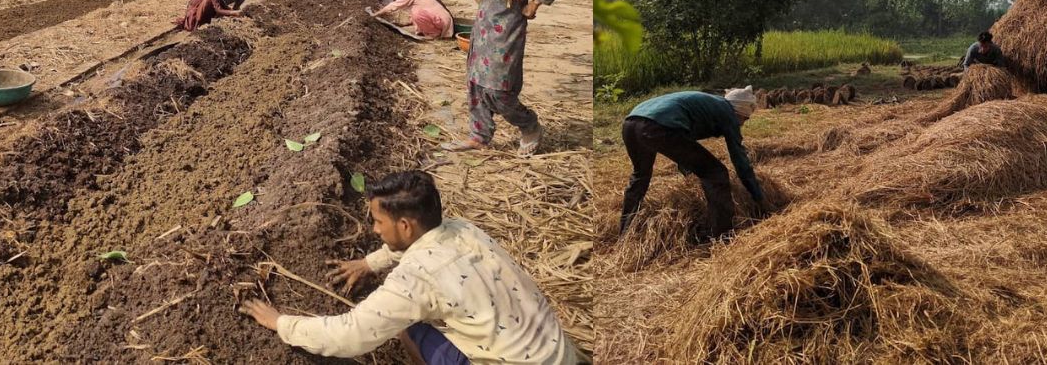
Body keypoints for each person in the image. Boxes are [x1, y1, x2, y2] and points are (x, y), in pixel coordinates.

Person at [239, 171, 584, 364]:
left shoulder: (415, 278)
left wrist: (281, 323)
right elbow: (416, 246)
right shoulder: (463, 228)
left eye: (377, 222)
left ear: (405, 226)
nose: (374, 230)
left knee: (409, 328)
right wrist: (368, 263)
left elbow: (349, 335)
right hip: (559, 354)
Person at [443, 0, 573, 156]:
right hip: (483, 26)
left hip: (510, 26)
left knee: (498, 88)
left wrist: (537, 2)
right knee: (476, 83)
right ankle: (479, 136)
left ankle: (530, 125)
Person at [618, 86, 766, 241]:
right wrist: (757, 195)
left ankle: (625, 232)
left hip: (630, 124)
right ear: (740, 111)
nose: (742, 124)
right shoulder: (728, 113)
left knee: (640, 176)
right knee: (716, 173)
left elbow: (685, 145)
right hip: (658, 126)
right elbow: (739, 158)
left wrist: (690, 173)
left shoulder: (709, 105)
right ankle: (723, 236)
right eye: (745, 119)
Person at [371, 0, 455, 40]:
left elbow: (394, 5)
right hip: (445, 21)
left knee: (416, 13)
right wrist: (403, 25)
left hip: (441, 22)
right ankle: (434, 32)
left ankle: (433, 35)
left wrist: (376, 14)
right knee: (416, 11)